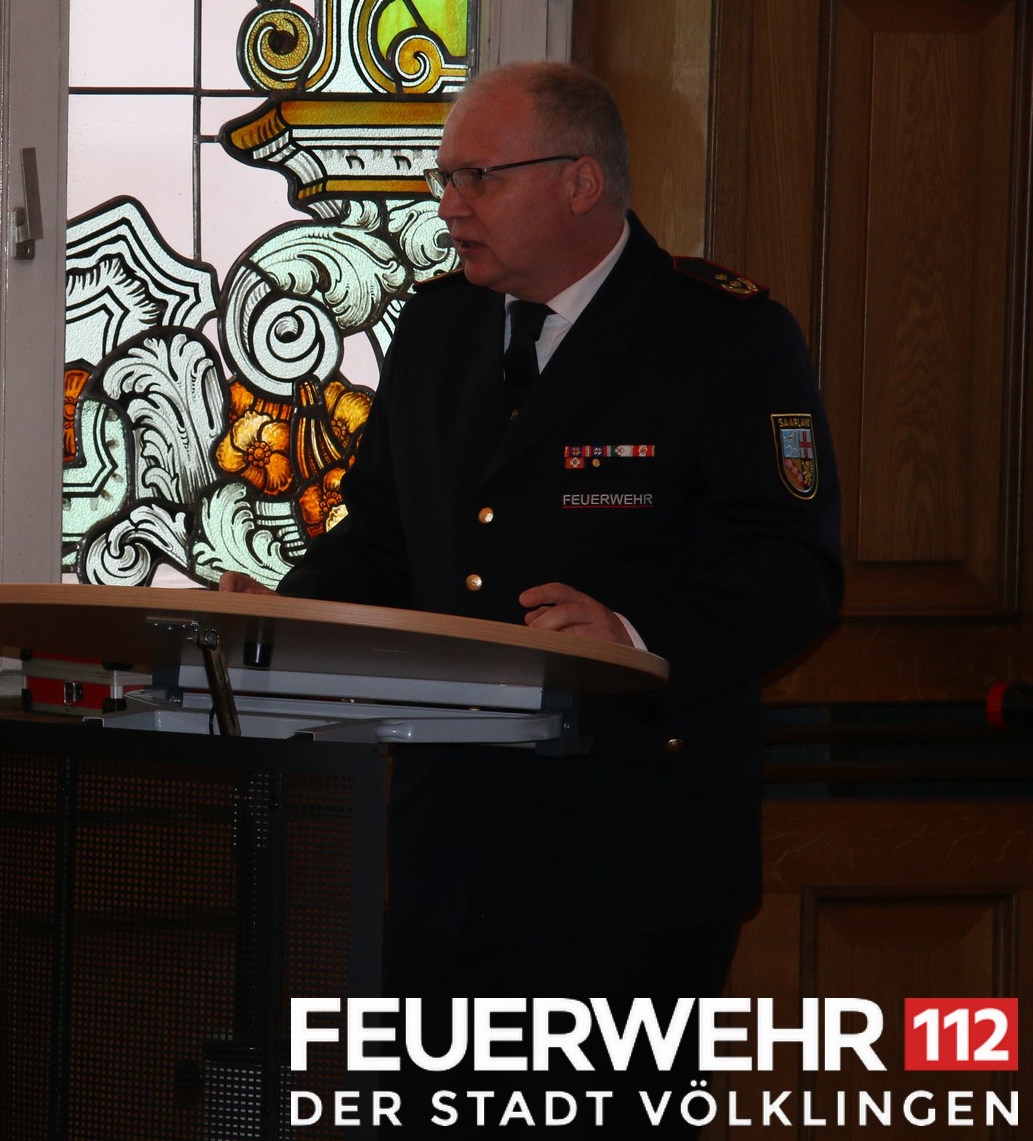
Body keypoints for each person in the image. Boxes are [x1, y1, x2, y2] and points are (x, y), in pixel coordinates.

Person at [221, 61, 842, 1134]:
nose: (450, 205)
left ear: (581, 183)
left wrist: (634, 636)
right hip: (445, 849)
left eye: (481, 177)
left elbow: (794, 570)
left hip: (628, 860)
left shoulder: (723, 337)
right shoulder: (437, 329)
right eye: (446, 178)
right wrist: (280, 619)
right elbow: (384, 540)